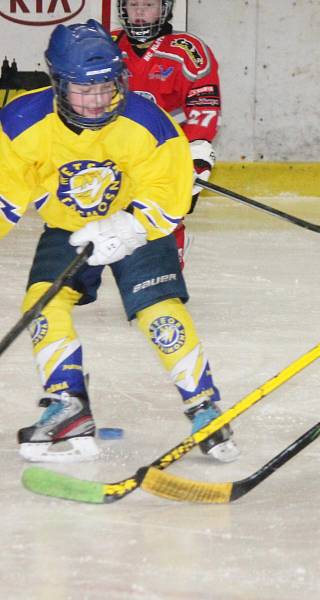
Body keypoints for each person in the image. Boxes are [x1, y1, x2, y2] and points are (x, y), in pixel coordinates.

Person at [0, 20, 238, 463]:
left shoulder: (148, 121)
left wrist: (129, 228)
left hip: (136, 227)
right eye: (81, 89)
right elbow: (3, 198)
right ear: (57, 83)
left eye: (105, 87)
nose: (95, 101)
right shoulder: (21, 122)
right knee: (41, 303)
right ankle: (68, 407)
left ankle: (204, 406)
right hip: (69, 228)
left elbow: (170, 197)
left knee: (157, 309)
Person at [113, 0, 221, 267]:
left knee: (159, 220)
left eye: (148, 4)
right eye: (132, 5)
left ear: (165, 9)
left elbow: (203, 109)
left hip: (164, 154)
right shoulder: (106, 46)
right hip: (112, 153)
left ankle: (169, 259)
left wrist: (196, 154)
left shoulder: (187, 51)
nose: (138, 12)